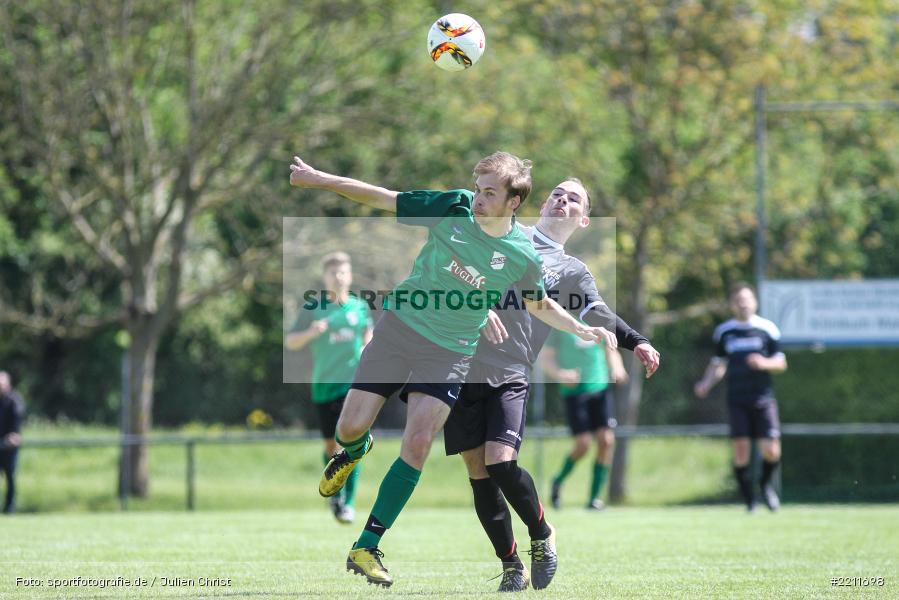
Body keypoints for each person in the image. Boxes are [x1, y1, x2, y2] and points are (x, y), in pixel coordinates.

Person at [289, 152, 616, 588]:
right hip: (401, 329)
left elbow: (539, 304)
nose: (478, 199)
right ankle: (352, 450)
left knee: (419, 441)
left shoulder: (521, 253)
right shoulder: (454, 207)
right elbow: (385, 198)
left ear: (513, 202)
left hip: (450, 353)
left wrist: (579, 326)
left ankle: (367, 544)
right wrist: (320, 178)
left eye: (489, 193)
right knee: (349, 427)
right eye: (478, 188)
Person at [442, 178, 661, 591]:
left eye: (574, 198)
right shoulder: (507, 232)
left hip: (510, 369)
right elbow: (459, 258)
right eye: (558, 194)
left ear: (583, 219)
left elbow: (597, 311)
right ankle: (510, 566)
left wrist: (638, 342)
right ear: (543, 203)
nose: (564, 200)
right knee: (478, 472)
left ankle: (542, 533)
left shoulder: (573, 271)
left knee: (501, 462)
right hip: (463, 364)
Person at [286, 251, 373, 524]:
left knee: (353, 442)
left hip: (353, 386)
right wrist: (311, 333)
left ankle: (348, 502)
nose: (338, 277)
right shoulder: (314, 308)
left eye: (342, 271)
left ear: (350, 275)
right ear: (325, 277)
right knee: (331, 445)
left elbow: (368, 335)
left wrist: (366, 350)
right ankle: (334, 492)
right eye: (333, 272)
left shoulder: (359, 307)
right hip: (324, 385)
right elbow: (291, 342)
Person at [694, 282, 787, 512]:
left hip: (763, 398)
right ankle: (750, 501)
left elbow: (781, 363)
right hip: (737, 399)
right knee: (741, 451)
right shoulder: (725, 331)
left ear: (754, 302)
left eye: (746, 299)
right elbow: (719, 364)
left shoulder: (768, 329)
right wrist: (706, 383)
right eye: (738, 300)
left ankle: (765, 486)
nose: (743, 303)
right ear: (732, 305)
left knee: (771, 449)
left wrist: (763, 363)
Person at [543, 330, 628, 512]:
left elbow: (611, 351)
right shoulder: (560, 321)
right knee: (583, 445)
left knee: (606, 441)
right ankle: (557, 481)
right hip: (575, 393)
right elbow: (547, 358)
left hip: (600, 389)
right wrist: (560, 374)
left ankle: (594, 499)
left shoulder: (597, 318)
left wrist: (617, 369)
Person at [0, 371, 25, 515]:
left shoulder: (15, 400)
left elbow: (17, 419)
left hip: (9, 447)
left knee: (10, 477)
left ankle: (10, 508)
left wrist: (14, 435)